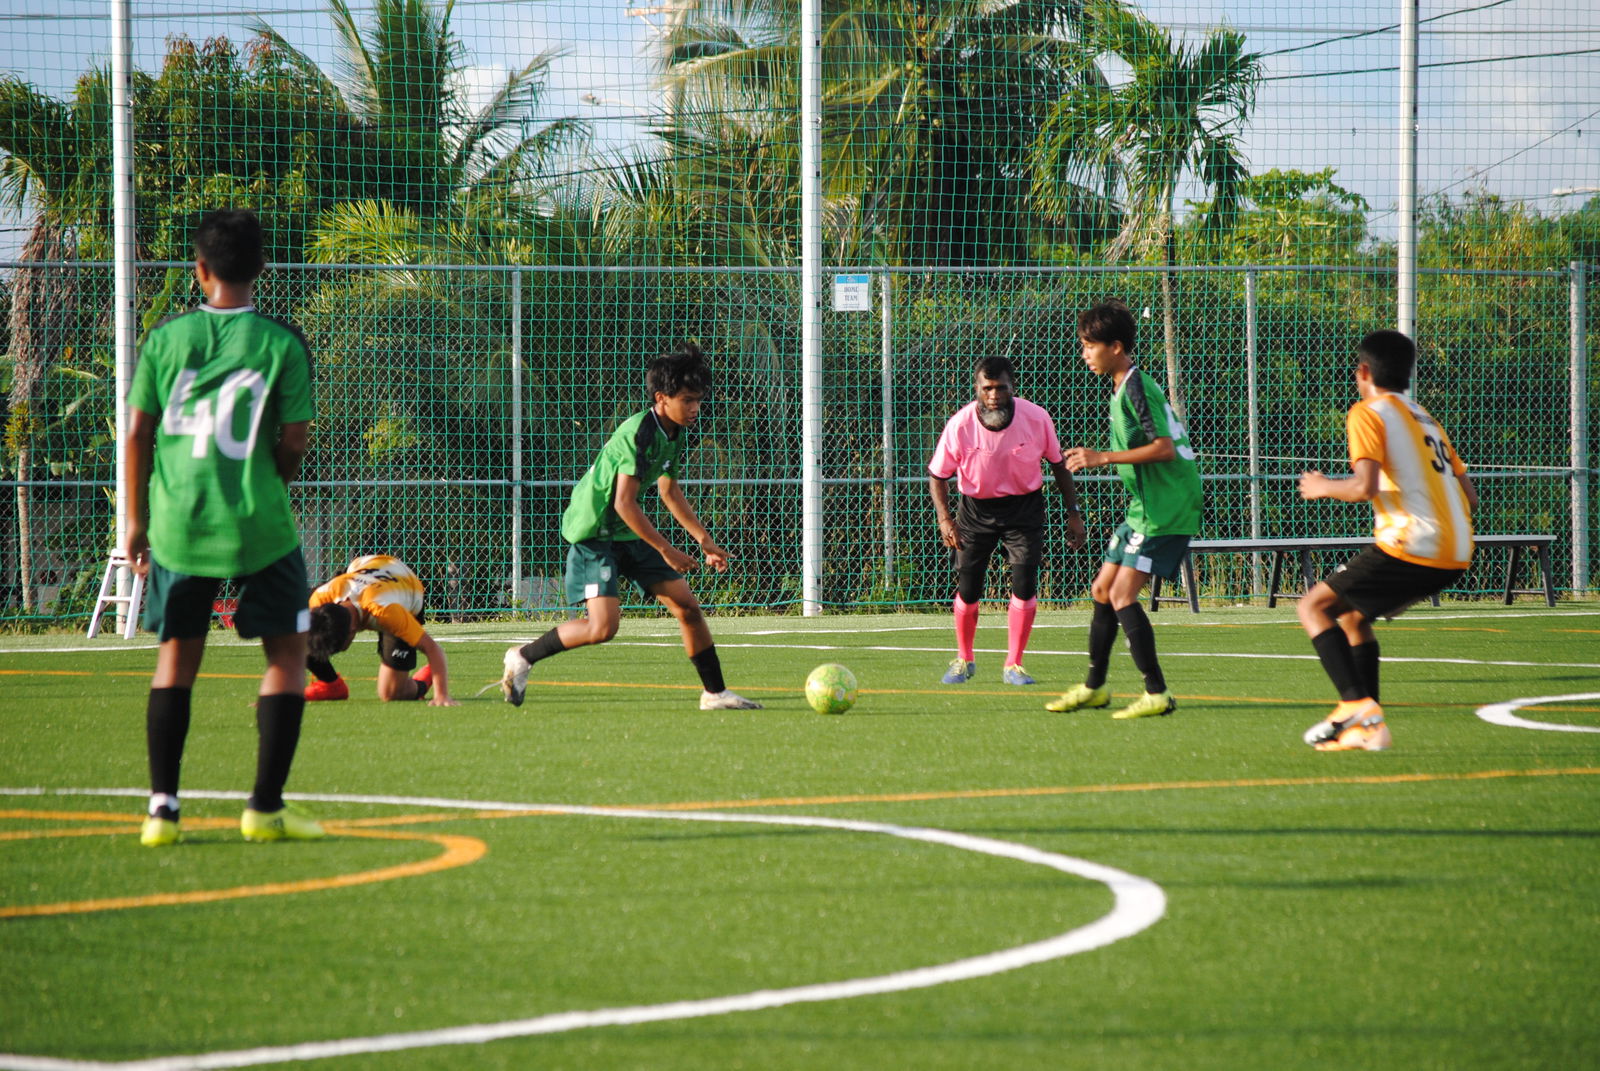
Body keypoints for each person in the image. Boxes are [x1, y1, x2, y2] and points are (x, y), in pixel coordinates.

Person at [124, 208, 323, 846]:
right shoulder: (282, 342)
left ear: (200, 269)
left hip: (179, 522)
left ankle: (162, 811)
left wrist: (136, 521)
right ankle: (264, 808)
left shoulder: (166, 339)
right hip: (258, 523)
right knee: (287, 656)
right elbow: (295, 440)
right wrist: (272, 483)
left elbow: (138, 432)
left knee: (176, 660)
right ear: (261, 267)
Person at [497, 342, 762, 711]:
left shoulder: (674, 431)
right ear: (661, 397)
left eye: (698, 400)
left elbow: (669, 491)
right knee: (602, 628)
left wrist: (704, 540)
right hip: (595, 534)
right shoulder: (639, 433)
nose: (695, 408)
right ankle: (523, 656)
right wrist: (666, 549)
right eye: (687, 400)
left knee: (687, 607)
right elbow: (624, 502)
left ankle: (715, 694)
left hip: (628, 532)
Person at [1296, 330, 1477, 751]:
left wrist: (1322, 486)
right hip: (1457, 550)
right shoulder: (1424, 417)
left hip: (1412, 543)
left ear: (1363, 372)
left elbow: (1365, 487)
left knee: (1312, 606)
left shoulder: (1368, 412)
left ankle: (1353, 705)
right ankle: (1369, 729)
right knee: (1352, 618)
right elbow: (1469, 496)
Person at [1047, 299, 1202, 720]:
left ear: (1115, 347)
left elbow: (1164, 449)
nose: (1084, 353)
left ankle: (1157, 692)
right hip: (1143, 509)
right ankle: (1094, 687)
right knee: (1102, 590)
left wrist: (1103, 458)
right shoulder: (1122, 386)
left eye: (1090, 345)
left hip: (1166, 509)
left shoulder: (1136, 386)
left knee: (1121, 595)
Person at [928, 355, 1086, 685]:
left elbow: (1058, 465)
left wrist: (1074, 514)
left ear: (1013, 387)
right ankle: (964, 659)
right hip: (975, 511)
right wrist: (945, 519)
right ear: (977, 389)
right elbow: (938, 475)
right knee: (968, 589)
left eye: (1000, 388)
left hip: (1024, 509)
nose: (994, 395)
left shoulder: (1036, 418)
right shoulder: (960, 425)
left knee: (1025, 583)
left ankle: (1014, 664)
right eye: (987, 388)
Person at [304, 554, 456, 706]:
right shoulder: (320, 598)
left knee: (392, 693)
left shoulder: (389, 613)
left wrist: (441, 695)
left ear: (352, 631)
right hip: (364, 569)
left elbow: (432, 649)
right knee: (301, 637)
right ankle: (331, 684)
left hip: (404, 585)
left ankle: (428, 675)